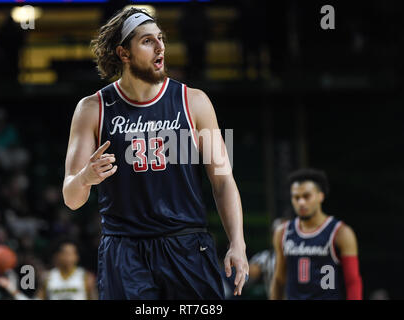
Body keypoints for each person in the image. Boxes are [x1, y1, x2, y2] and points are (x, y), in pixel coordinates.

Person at [62, 7, 248, 300]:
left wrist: (237, 243)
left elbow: (223, 180)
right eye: (148, 41)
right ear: (124, 53)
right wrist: (85, 178)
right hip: (125, 250)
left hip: (186, 243)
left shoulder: (194, 101)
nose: (161, 46)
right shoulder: (92, 108)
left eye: (161, 38)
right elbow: (71, 199)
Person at [270, 168, 363, 300]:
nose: (301, 202)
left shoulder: (341, 232)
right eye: (296, 197)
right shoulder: (282, 232)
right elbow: (279, 279)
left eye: (306, 196)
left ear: (321, 196)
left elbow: (352, 281)